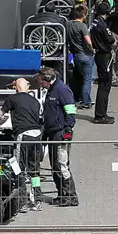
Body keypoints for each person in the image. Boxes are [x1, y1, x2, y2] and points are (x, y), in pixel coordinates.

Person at [0, 78, 43, 212]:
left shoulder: (12, 99)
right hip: (37, 136)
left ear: (16, 88)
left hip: (23, 136)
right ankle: (36, 199)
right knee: (35, 170)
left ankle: (21, 200)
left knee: (18, 168)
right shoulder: (35, 101)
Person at [35, 67, 79, 206]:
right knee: (55, 165)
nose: (40, 84)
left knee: (61, 164)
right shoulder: (52, 89)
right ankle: (61, 194)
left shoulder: (61, 89)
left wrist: (68, 130)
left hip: (60, 133)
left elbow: (71, 112)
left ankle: (70, 195)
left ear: (48, 79)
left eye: (41, 81)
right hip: (53, 133)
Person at [89, 2, 116, 124]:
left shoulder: (94, 22)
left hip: (99, 54)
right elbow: (111, 40)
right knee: (105, 85)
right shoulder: (102, 24)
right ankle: (100, 115)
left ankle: (101, 113)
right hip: (104, 56)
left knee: (103, 84)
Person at [66, 2, 95, 109]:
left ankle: (76, 98)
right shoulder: (82, 26)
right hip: (85, 54)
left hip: (76, 55)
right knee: (87, 80)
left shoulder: (68, 24)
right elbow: (88, 41)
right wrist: (92, 50)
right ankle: (86, 101)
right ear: (83, 15)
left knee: (78, 78)